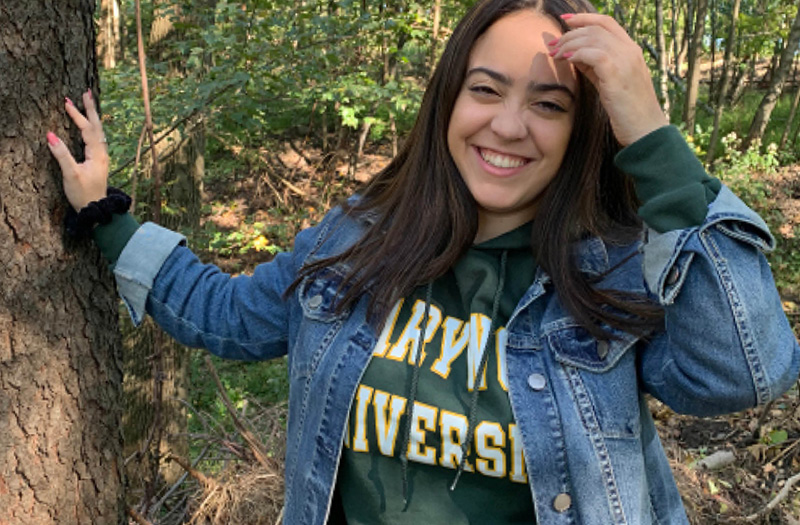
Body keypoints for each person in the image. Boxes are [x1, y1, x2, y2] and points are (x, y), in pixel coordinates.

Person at [47, 0, 799, 523]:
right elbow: (228, 315)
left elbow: (744, 371)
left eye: (548, 104)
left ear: (582, 130)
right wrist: (105, 214)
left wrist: (652, 138)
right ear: (448, 100)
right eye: (486, 89)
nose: (508, 125)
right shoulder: (357, 242)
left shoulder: (613, 271)